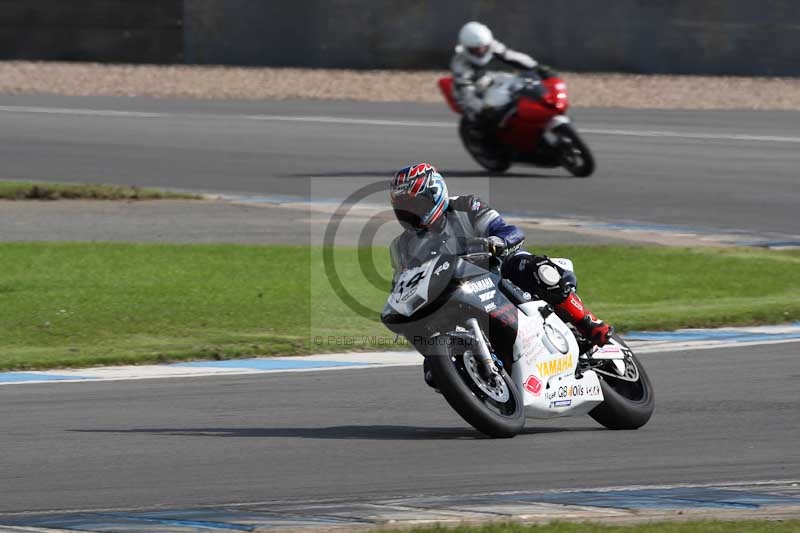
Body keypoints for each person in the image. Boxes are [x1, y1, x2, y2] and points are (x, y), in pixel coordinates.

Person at [389, 163, 612, 387]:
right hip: (459, 291)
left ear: (434, 194)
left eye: (415, 205)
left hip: (500, 270)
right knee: (425, 342)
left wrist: (494, 242)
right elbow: (405, 280)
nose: (410, 214)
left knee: (530, 268)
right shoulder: (403, 245)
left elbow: (509, 231)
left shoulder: (466, 205)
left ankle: (586, 322)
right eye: (404, 209)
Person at [451, 21, 553, 124]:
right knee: (482, 117)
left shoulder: (490, 45)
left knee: (516, 81)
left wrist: (537, 67)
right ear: (466, 47)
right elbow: (467, 95)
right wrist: (483, 108)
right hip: (468, 95)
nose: (481, 51)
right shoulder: (460, 64)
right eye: (476, 50)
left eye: (484, 48)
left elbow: (512, 56)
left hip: (487, 79)